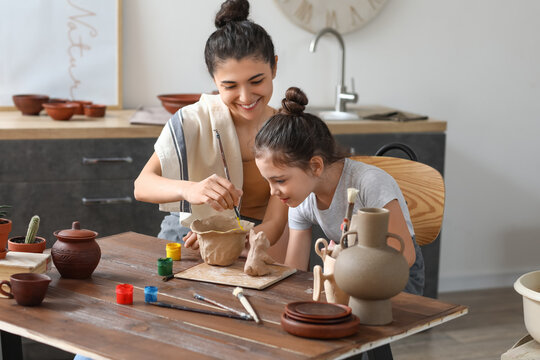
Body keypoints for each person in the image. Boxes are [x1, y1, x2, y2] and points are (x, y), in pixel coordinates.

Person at [134, 0, 288, 257]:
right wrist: (190, 189)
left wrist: (229, 235)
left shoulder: (287, 130)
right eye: (229, 86)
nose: (245, 96)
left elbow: (276, 220)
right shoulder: (194, 119)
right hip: (189, 233)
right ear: (214, 80)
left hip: (258, 239)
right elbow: (142, 185)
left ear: (273, 66)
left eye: (256, 81)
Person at [254, 87, 425, 295]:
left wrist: (344, 265)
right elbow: (296, 271)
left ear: (316, 166)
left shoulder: (368, 183)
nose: (273, 192)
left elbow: (405, 256)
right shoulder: (301, 200)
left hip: (396, 278)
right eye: (268, 182)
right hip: (348, 276)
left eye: (279, 180)